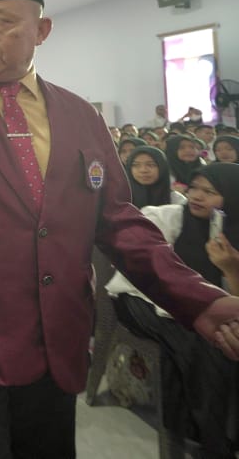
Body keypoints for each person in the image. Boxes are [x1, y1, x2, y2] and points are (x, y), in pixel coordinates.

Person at [0, 0, 239, 459]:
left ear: (41, 30)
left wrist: (197, 299)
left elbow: (118, 221)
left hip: (59, 333)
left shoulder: (79, 115)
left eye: (0, 21)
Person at [107, 163, 239, 456]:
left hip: (205, 310)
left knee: (220, 337)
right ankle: (210, 439)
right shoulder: (165, 218)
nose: (197, 196)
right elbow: (142, 275)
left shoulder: (230, 235)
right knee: (199, 340)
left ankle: (202, 428)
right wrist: (190, 309)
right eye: (194, 188)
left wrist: (230, 268)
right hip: (141, 299)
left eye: (210, 192)